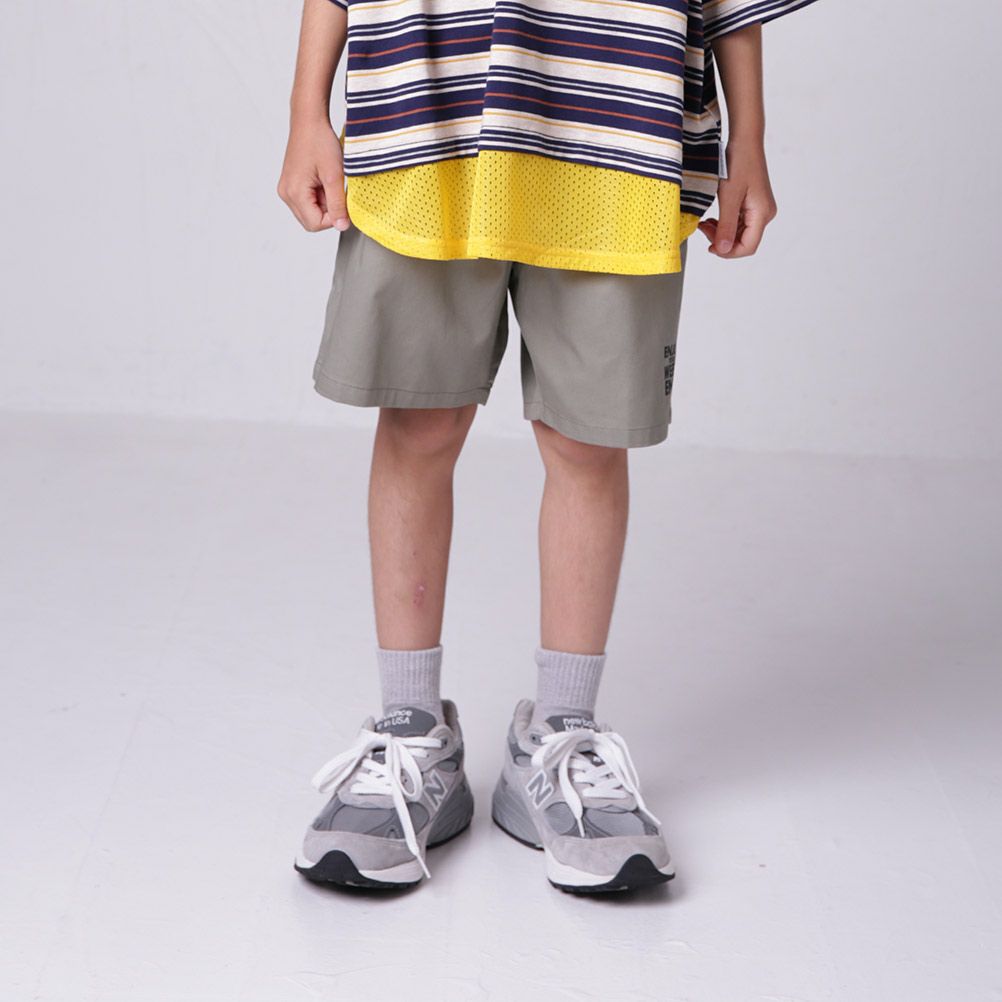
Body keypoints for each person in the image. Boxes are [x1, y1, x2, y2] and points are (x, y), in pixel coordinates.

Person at [279, 0, 819, 893]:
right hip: (426, 107)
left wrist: (749, 143)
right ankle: (410, 729)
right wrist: (308, 109)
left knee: (587, 438)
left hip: (618, 122)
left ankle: (561, 735)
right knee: (418, 420)